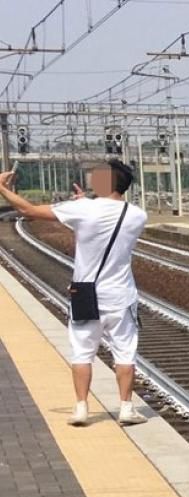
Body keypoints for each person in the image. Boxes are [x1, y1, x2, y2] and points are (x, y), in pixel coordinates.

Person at [0, 161, 149, 427]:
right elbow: (103, 228)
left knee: (82, 351)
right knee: (125, 353)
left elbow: (27, 209)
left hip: (84, 293)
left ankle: (81, 408)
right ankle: (126, 408)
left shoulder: (82, 209)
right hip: (121, 296)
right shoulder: (137, 215)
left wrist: (1, 188)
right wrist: (84, 204)